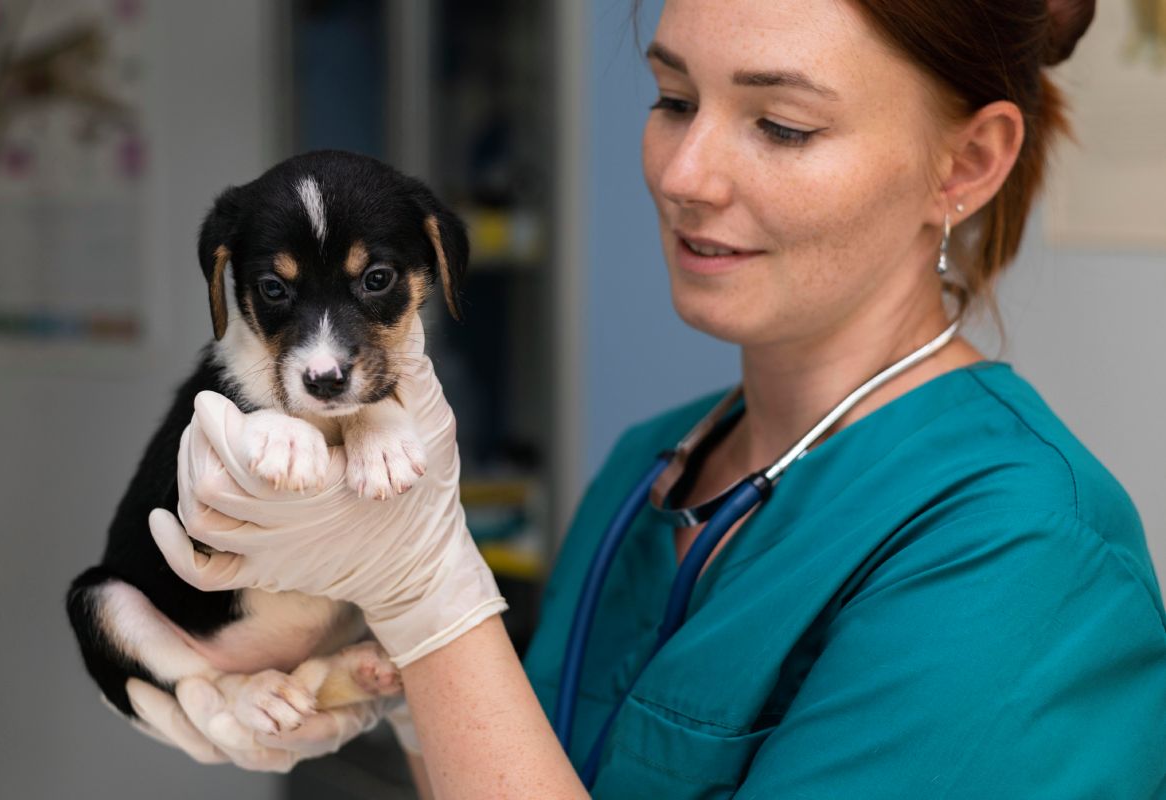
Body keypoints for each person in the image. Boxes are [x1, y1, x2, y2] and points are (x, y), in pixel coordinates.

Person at [124, 0, 1166, 796]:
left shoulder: (1025, 556)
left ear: (966, 163)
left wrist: (426, 590)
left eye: (781, 124)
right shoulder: (647, 469)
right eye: (671, 98)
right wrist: (380, 673)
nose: (685, 171)